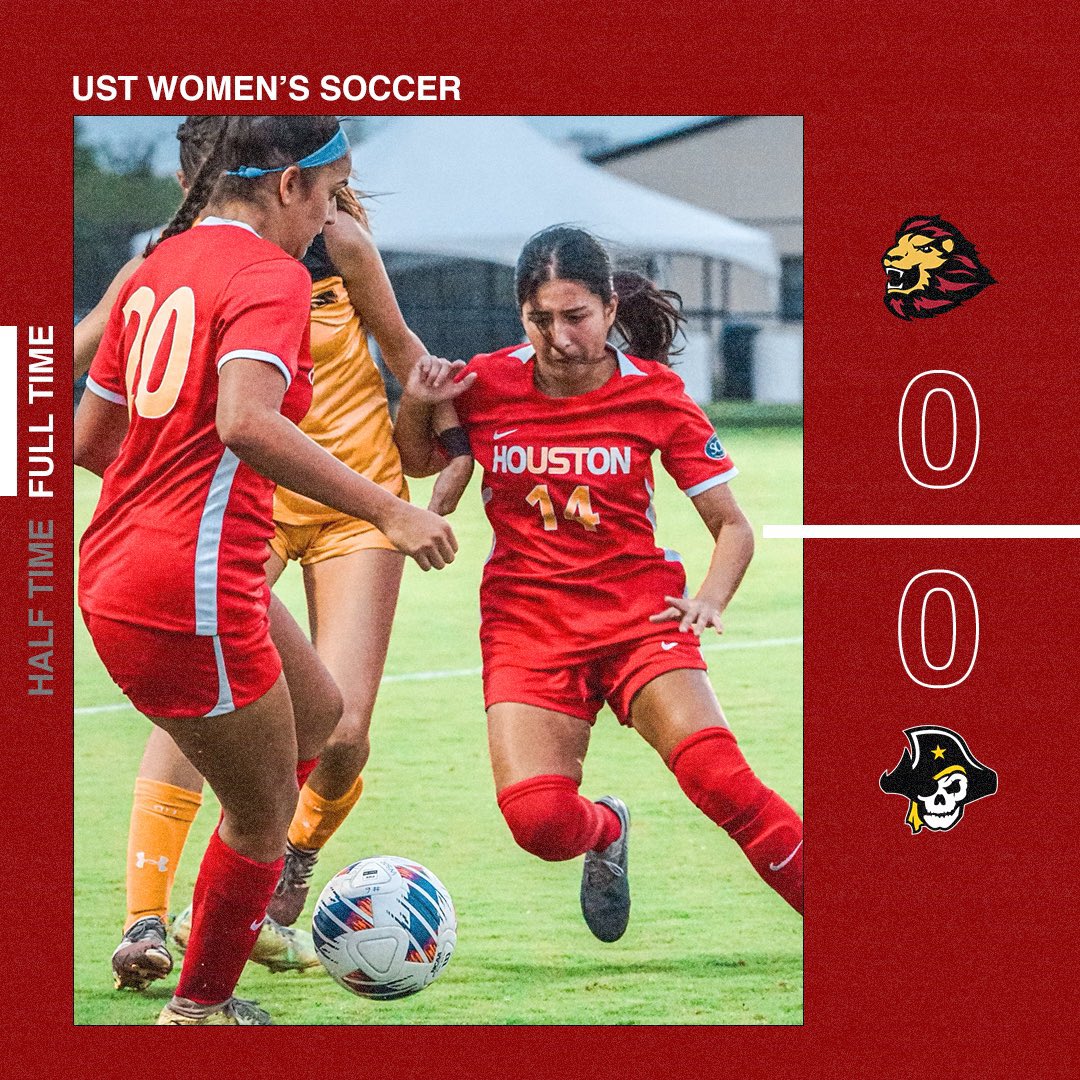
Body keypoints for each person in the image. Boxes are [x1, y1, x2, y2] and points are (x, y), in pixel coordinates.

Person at [76, 116, 469, 1025]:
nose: (333, 218)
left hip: (132, 561)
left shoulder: (158, 270)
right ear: (289, 184)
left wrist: (176, 488)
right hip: (188, 584)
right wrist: (390, 507)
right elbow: (247, 422)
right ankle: (198, 1008)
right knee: (260, 815)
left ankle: (213, 906)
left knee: (324, 714)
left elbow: (90, 443)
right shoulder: (269, 276)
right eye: (330, 196)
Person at [396, 225, 803, 943]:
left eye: (575, 315)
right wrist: (416, 400)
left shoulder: (656, 396)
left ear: (611, 308)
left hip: (640, 622)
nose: (558, 336)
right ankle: (607, 828)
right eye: (540, 317)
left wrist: (709, 597)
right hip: (528, 628)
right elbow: (422, 462)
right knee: (541, 824)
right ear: (521, 314)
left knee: (725, 785)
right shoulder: (486, 383)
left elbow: (733, 526)